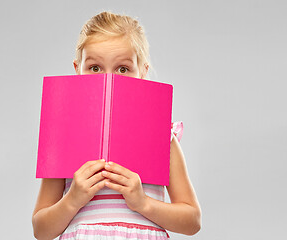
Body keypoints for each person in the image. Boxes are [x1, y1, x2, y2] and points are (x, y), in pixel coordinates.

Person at [32, 11, 201, 239]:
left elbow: (192, 221)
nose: (108, 79)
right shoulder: (64, 136)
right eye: (94, 68)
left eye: (123, 69)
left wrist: (143, 203)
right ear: (77, 70)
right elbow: (41, 230)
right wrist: (73, 199)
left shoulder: (162, 136)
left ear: (142, 71)